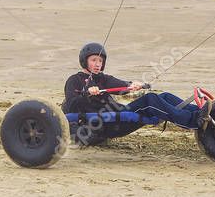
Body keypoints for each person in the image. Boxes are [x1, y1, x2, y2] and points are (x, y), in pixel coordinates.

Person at [63, 42, 205, 132]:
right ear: (84, 61)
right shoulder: (74, 80)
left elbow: (120, 85)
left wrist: (132, 85)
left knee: (164, 96)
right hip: (107, 122)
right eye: (94, 60)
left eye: (100, 60)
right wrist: (86, 94)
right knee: (150, 99)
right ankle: (191, 121)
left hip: (118, 114)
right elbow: (71, 105)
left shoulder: (103, 78)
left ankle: (200, 112)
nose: (98, 64)